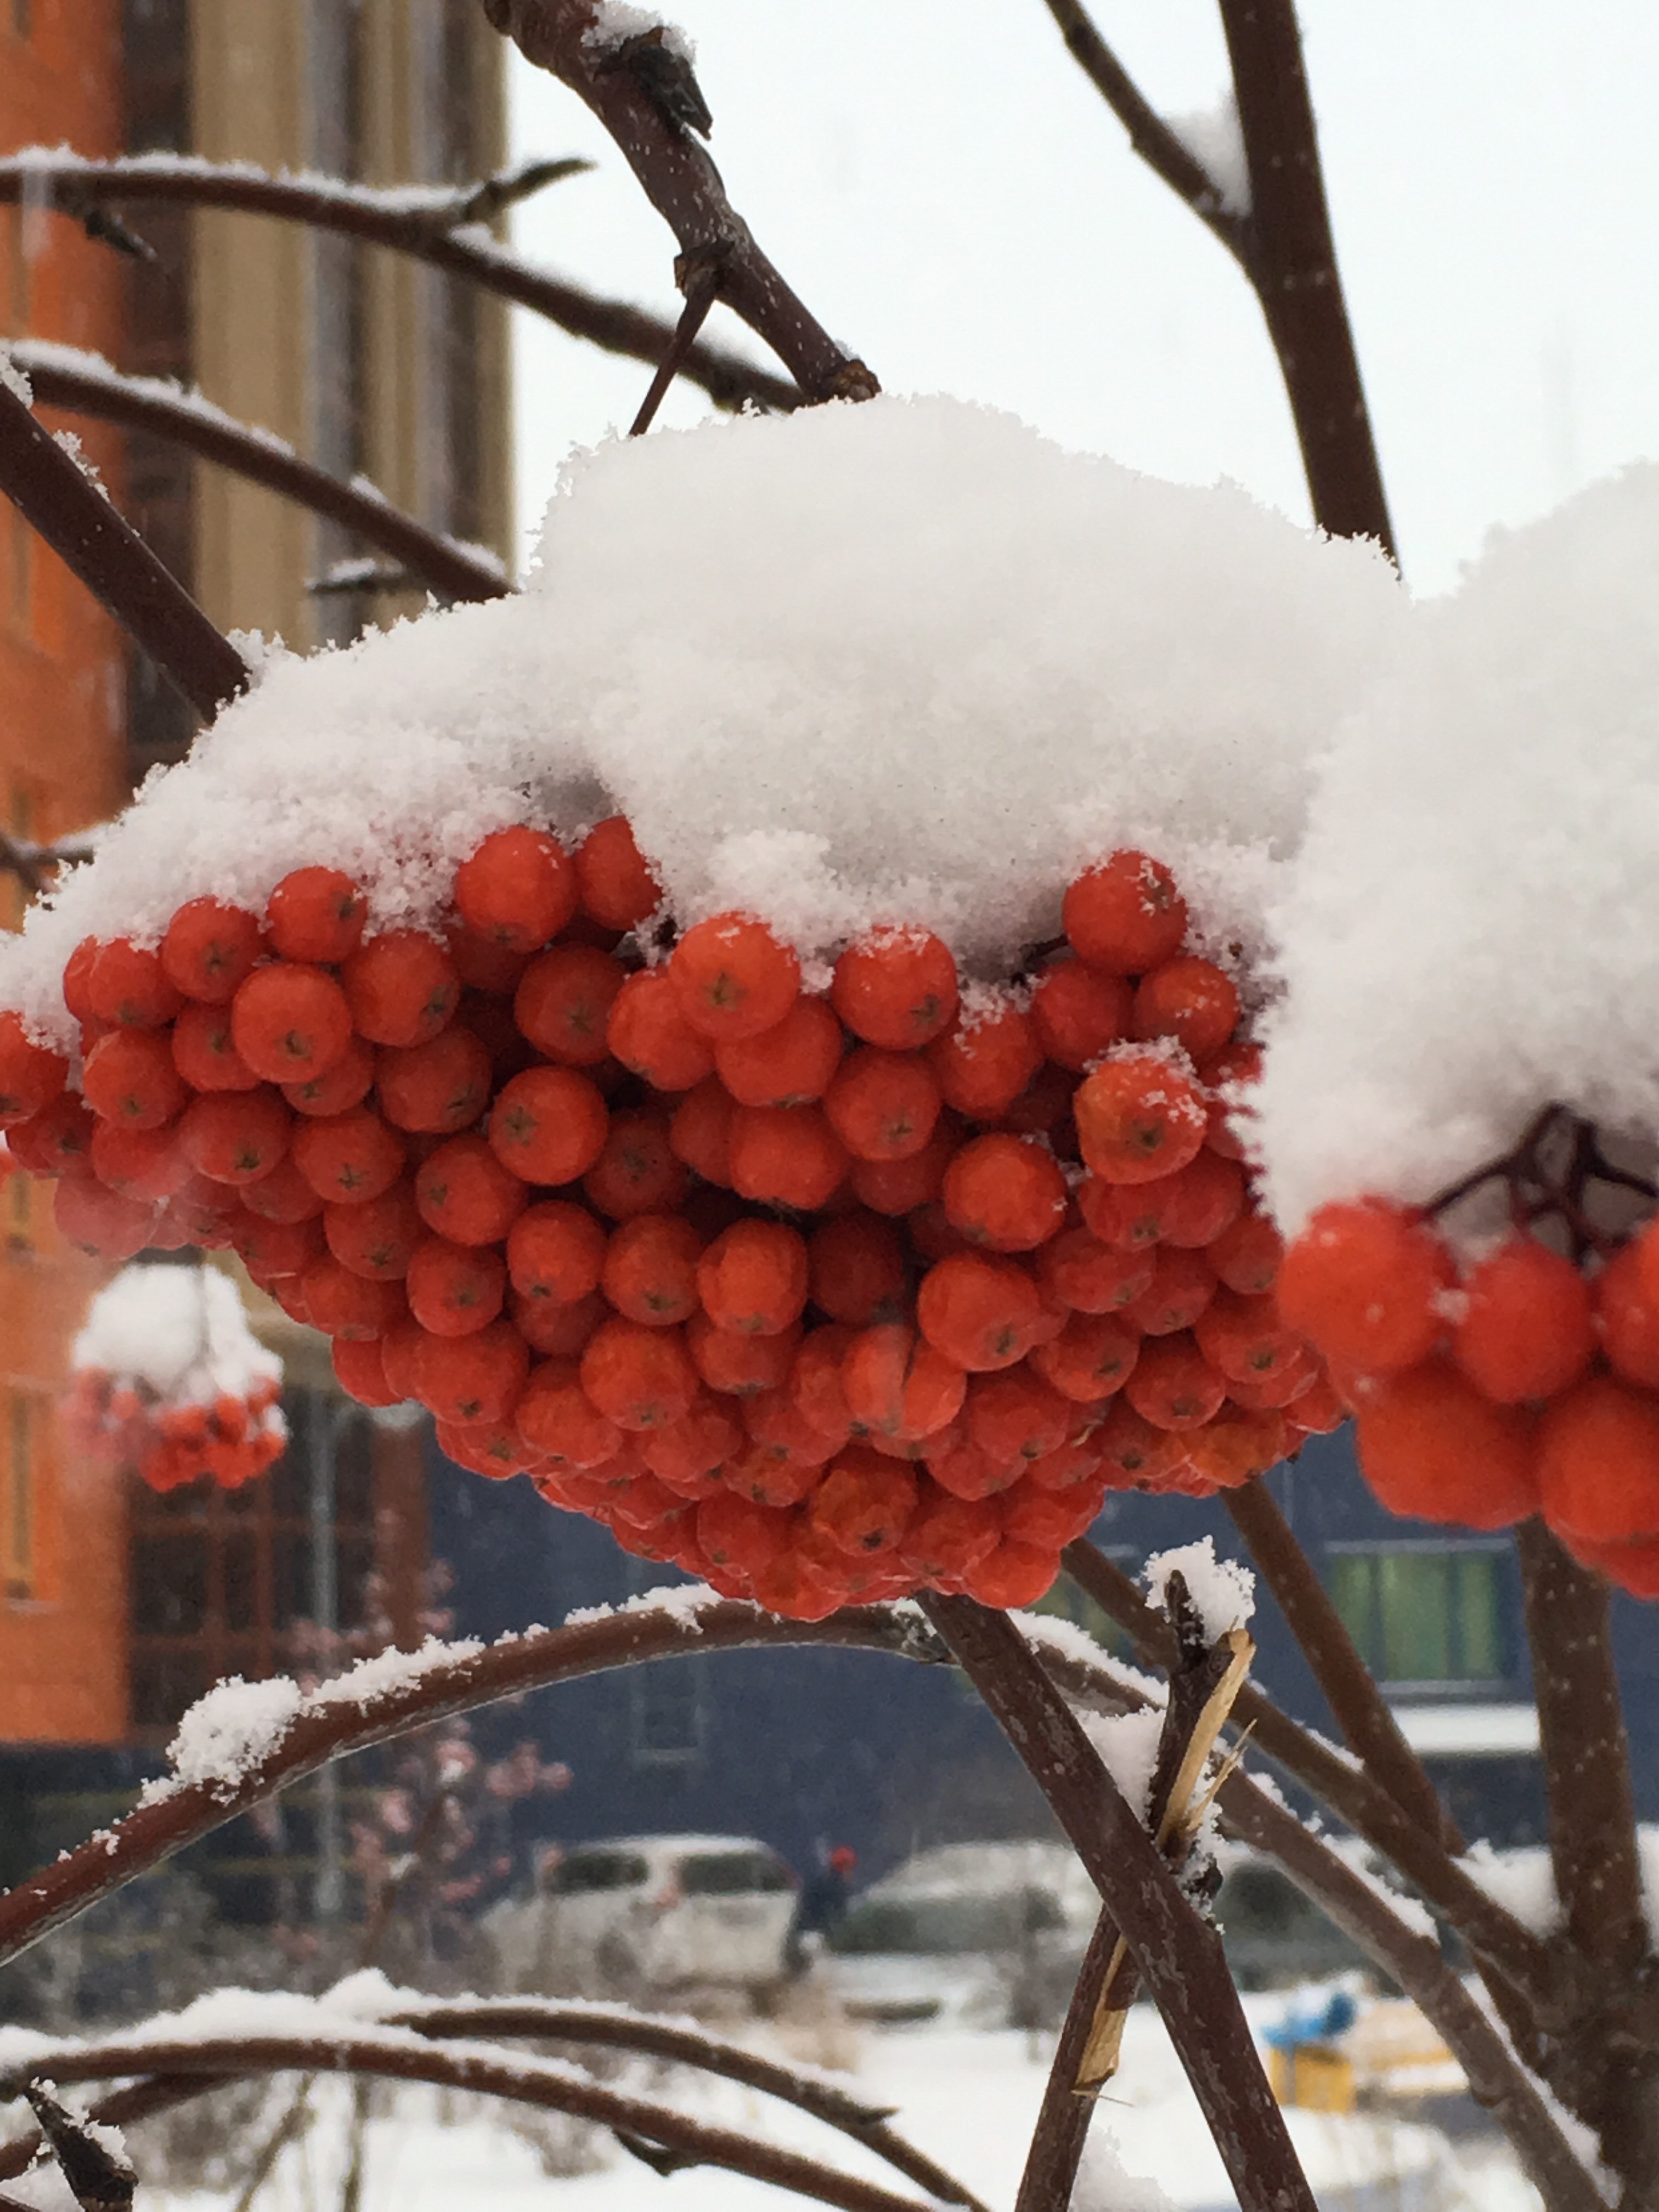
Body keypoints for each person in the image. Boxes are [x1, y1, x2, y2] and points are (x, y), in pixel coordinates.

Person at [786, 1842, 857, 1973]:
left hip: (802, 1931)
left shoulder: (818, 1882)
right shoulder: (839, 1888)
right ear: (846, 1868)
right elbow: (839, 1916)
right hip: (820, 1937)